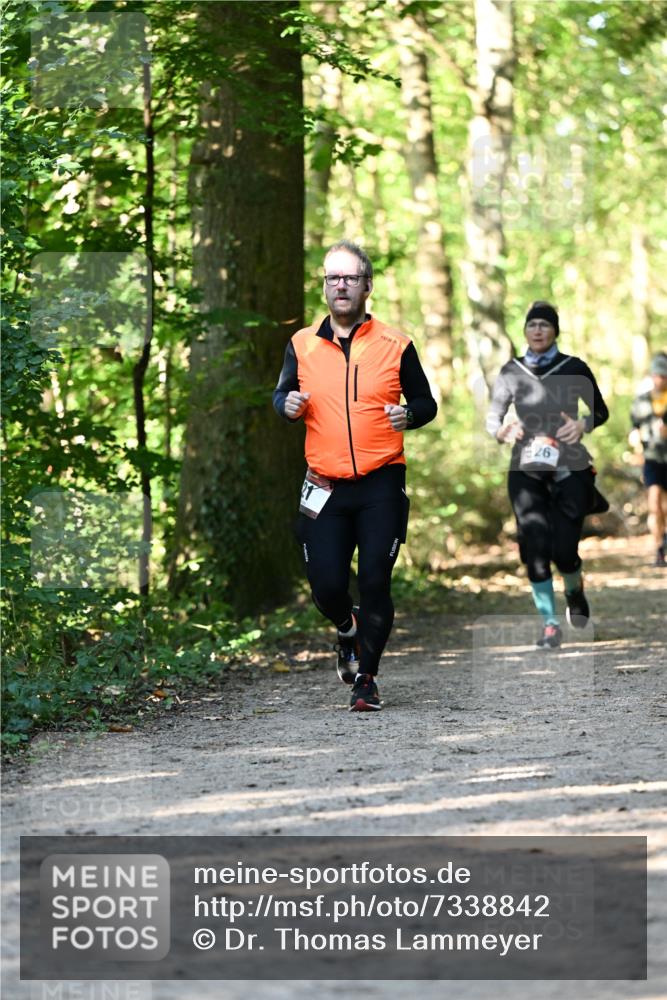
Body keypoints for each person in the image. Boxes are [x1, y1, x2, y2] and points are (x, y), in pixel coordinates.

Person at [273, 240, 437, 710]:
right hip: (324, 485)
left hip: (381, 481)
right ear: (324, 287)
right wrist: (285, 405)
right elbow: (281, 394)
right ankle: (348, 629)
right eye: (332, 277)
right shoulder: (301, 344)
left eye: (349, 277)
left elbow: (426, 402)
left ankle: (367, 678)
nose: (340, 284)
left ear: (367, 286)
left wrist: (411, 415)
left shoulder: (396, 344)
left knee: (374, 581)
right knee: (326, 585)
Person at [486, 301, 609, 649]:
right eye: (532, 325)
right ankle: (550, 624)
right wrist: (501, 431)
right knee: (535, 546)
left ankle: (574, 590)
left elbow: (600, 410)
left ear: (555, 330)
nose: (537, 330)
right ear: (524, 331)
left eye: (544, 324)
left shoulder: (574, 367)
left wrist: (583, 424)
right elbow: (493, 417)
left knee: (564, 551)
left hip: (569, 464)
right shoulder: (511, 371)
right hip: (525, 467)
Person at [630, 352, 667, 567]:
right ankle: (658, 550)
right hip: (652, 456)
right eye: (656, 375)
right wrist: (634, 435)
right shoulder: (642, 401)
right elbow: (634, 424)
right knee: (654, 501)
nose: (659, 379)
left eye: (663, 375)